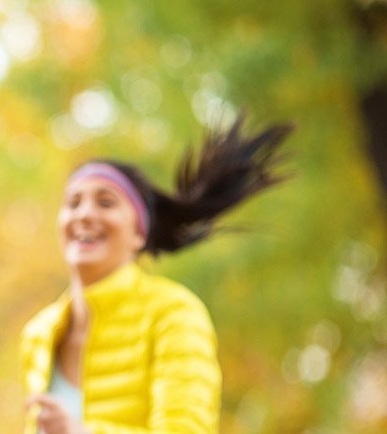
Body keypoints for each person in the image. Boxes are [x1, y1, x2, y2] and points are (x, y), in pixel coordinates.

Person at [19, 115, 292, 434]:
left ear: (139, 234)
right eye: (73, 203)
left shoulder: (173, 313)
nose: (85, 214)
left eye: (106, 203)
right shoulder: (38, 334)